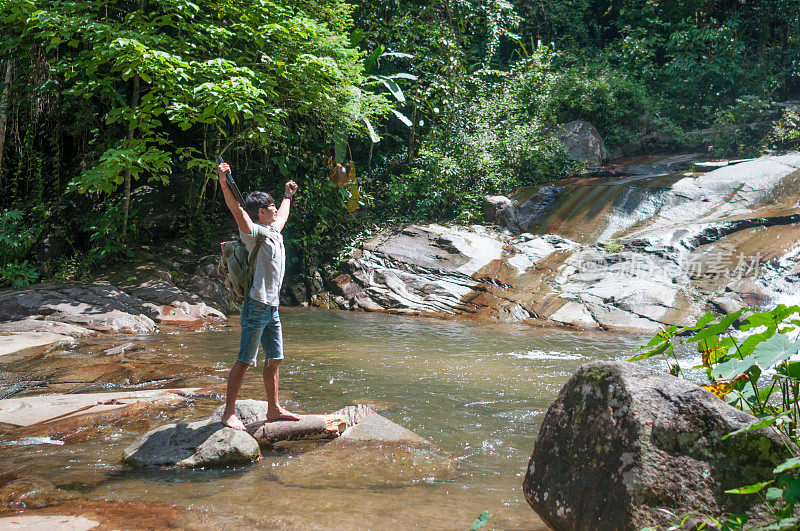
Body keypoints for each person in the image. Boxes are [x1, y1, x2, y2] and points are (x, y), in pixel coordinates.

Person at [217, 161, 301, 430]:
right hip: (255, 305)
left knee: (274, 357)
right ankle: (228, 412)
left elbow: (284, 213)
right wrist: (223, 180)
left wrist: (288, 194)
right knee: (244, 360)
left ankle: (273, 409)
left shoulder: (274, 230)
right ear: (262, 212)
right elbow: (236, 209)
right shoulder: (253, 234)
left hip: (272, 307)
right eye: (273, 206)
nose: (277, 209)